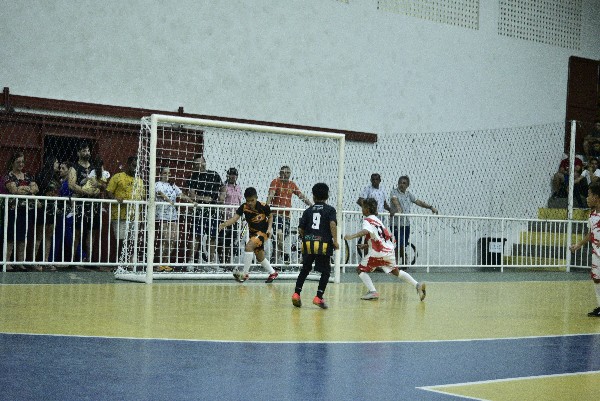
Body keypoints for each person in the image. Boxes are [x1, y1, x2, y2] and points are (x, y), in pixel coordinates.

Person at [344, 198, 426, 302]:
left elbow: (365, 231)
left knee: (360, 270)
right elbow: (382, 237)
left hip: (378, 253)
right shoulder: (378, 221)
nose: (362, 209)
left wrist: (351, 236)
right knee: (396, 271)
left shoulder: (367, 220)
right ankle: (417, 285)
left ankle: (373, 291)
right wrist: (367, 245)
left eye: (363, 207)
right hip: (388, 252)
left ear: (367, 209)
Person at [291, 183, 339, 309]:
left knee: (305, 269)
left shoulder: (308, 211)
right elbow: (332, 224)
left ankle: (296, 294)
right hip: (323, 244)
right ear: (327, 196)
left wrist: (306, 238)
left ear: (313, 196)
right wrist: (335, 240)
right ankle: (318, 297)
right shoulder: (330, 210)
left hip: (308, 243)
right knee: (326, 271)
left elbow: (300, 229)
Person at [218, 187, 278, 283]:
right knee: (260, 257)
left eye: (252, 200)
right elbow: (234, 219)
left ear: (256, 198)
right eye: (248, 201)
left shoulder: (263, 206)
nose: (250, 203)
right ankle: (273, 273)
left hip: (263, 232)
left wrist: (269, 228)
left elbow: (270, 216)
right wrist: (223, 224)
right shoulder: (244, 207)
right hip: (253, 233)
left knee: (248, 247)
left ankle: (245, 274)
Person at [267, 165, 312, 264]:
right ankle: (285, 254)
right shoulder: (275, 182)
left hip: (286, 216)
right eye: (283, 172)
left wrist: (311, 205)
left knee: (279, 240)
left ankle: (274, 262)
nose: (285, 175)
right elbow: (271, 194)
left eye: (287, 173)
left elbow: (300, 195)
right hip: (276, 214)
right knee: (279, 235)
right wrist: (266, 207)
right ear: (280, 173)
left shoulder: (292, 184)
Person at [389, 176, 438, 266]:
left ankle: (402, 262)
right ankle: (396, 263)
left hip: (406, 224)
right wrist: (399, 209)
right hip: (396, 223)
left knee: (403, 244)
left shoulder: (408, 194)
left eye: (404, 183)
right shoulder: (394, 192)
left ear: (408, 185)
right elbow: (395, 201)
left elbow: (418, 202)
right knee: (400, 243)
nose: (402, 185)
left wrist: (430, 207)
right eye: (400, 183)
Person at [569, 181, 600, 317]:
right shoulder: (592, 215)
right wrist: (579, 244)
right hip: (596, 254)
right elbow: (591, 233)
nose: (587, 198)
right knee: (597, 279)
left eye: (589, 195)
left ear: (596, 197)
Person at [4, 151, 39, 271]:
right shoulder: (8, 176)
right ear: (12, 162)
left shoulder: (27, 175)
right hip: (13, 210)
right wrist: (29, 189)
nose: (21, 164)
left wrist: (22, 188)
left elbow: (36, 188)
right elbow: (14, 190)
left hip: (26, 210)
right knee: (10, 236)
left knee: (22, 236)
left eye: (22, 162)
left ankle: (20, 262)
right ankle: (7, 262)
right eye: (18, 162)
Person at [106, 156, 145, 263]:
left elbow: (143, 197)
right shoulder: (117, 177)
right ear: (128, 164)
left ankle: (129, 262)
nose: (135, 169)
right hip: (119, 215)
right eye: (133, 166)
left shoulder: (140, 181)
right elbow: (108, 192)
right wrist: (115, 198)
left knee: (132, 241)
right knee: (121, 240)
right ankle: (120, 264)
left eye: (137, 167)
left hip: (135, 217)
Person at [155, 166, 196, 269]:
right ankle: (159, 264)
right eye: (165, 173)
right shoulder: (157, 184)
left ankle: (165, 263)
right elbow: (160, 193)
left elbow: (181, 194)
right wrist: (169, 201)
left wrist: (192, 202)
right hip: (162, 215)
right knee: (165, 240)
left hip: (172, 216)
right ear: (160, 174)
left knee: (173, 240)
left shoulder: (172, 185)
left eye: (169, 173)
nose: (167, 175)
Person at [68, 142, 102, 264]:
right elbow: (71, 185)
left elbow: (101, 184)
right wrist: (85, 191)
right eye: (84, 151)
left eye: (88, 150)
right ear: (78, 153)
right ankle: (72, 260)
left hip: (93, 204)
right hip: (80, 204)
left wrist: (97, 190)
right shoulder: (74, 167)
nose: (87, 153)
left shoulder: (95, 167)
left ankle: (89, 260)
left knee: (92, 232)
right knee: (77, 232)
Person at [187, 155, 223, 265]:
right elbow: (192, 195)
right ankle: (191, 261)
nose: (199, 165)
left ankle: (210, 262)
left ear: (205, 162)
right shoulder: (193, 177)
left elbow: (223, 187)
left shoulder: (214, 174)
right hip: (199, 210)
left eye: (200, 162)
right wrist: (203, 198)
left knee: (213, 237)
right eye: (196, 164)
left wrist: (222, 196)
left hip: (213, 210)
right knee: (196, 235)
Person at [34, 156, 60, 270]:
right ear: (51, 163)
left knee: (49, 235)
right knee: (39, 235)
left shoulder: (55, 177)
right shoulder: (41, 175)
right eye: (56, 162)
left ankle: (45, 260)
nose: (58, 164)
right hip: (42, 207)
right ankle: (34, 261)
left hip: (52, 208)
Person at [217, 167, 243, 267]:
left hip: (235, 218)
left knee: (230, 241)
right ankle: (221, 262)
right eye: (231, 174)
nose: (233, 176)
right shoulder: (224, 186)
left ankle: (228, 262)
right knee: (221, 240)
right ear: (227, 175)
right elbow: (221, 200)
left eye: (234, 175)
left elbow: (239, 202)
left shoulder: (238, 188)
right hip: (225, 217)